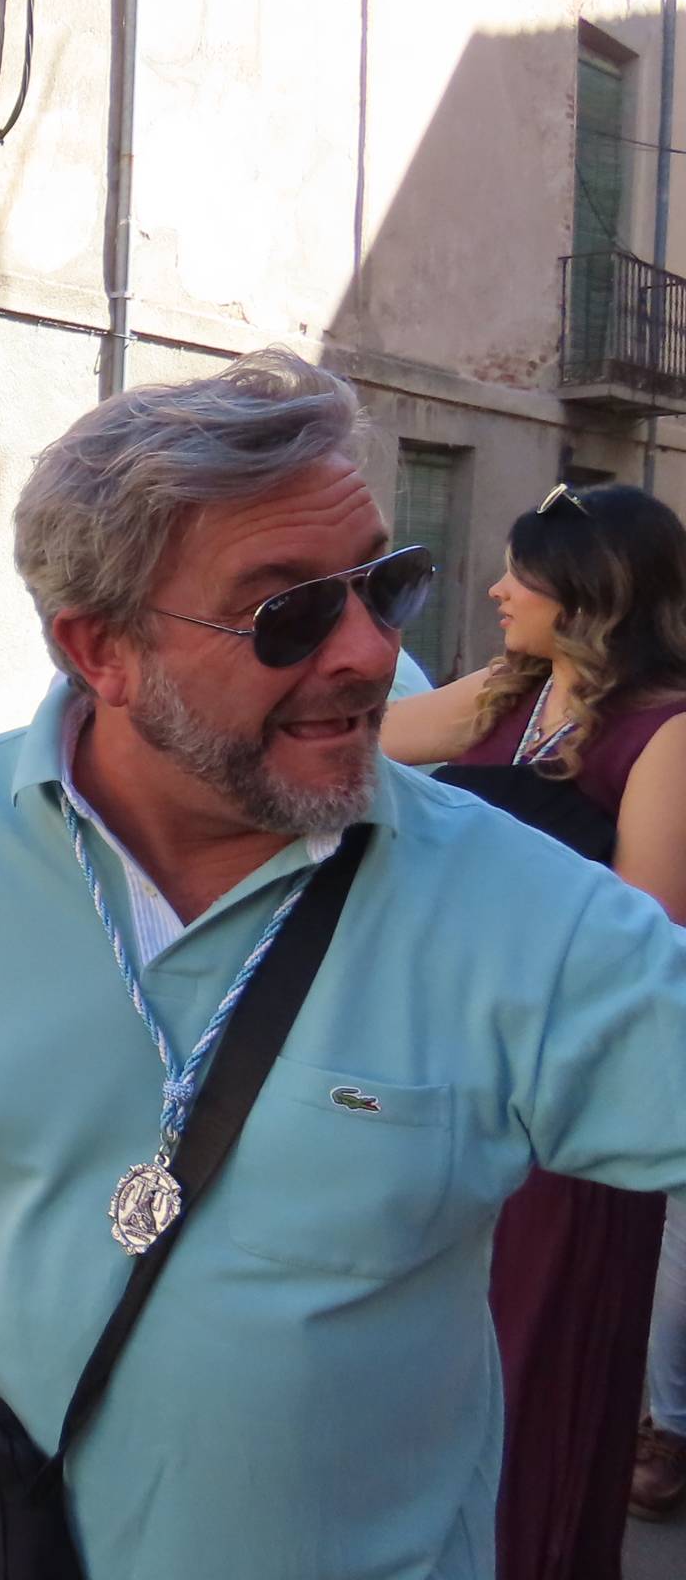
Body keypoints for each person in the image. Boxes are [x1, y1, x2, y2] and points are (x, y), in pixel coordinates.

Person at [0, 352, 686, 1580]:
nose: (368, 652)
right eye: (289, 610)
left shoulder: (520, 910)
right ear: (98, 649)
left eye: (386, 585)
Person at [381, 481, 686, 1572]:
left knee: (540, 1371)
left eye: (522, 573)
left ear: (587, 593)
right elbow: (348, 737)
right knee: (438, 1372)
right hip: (447, 1082)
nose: (497, 589)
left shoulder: (664, 736)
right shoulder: (503, 694)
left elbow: (641, 939)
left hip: (563, 1105)